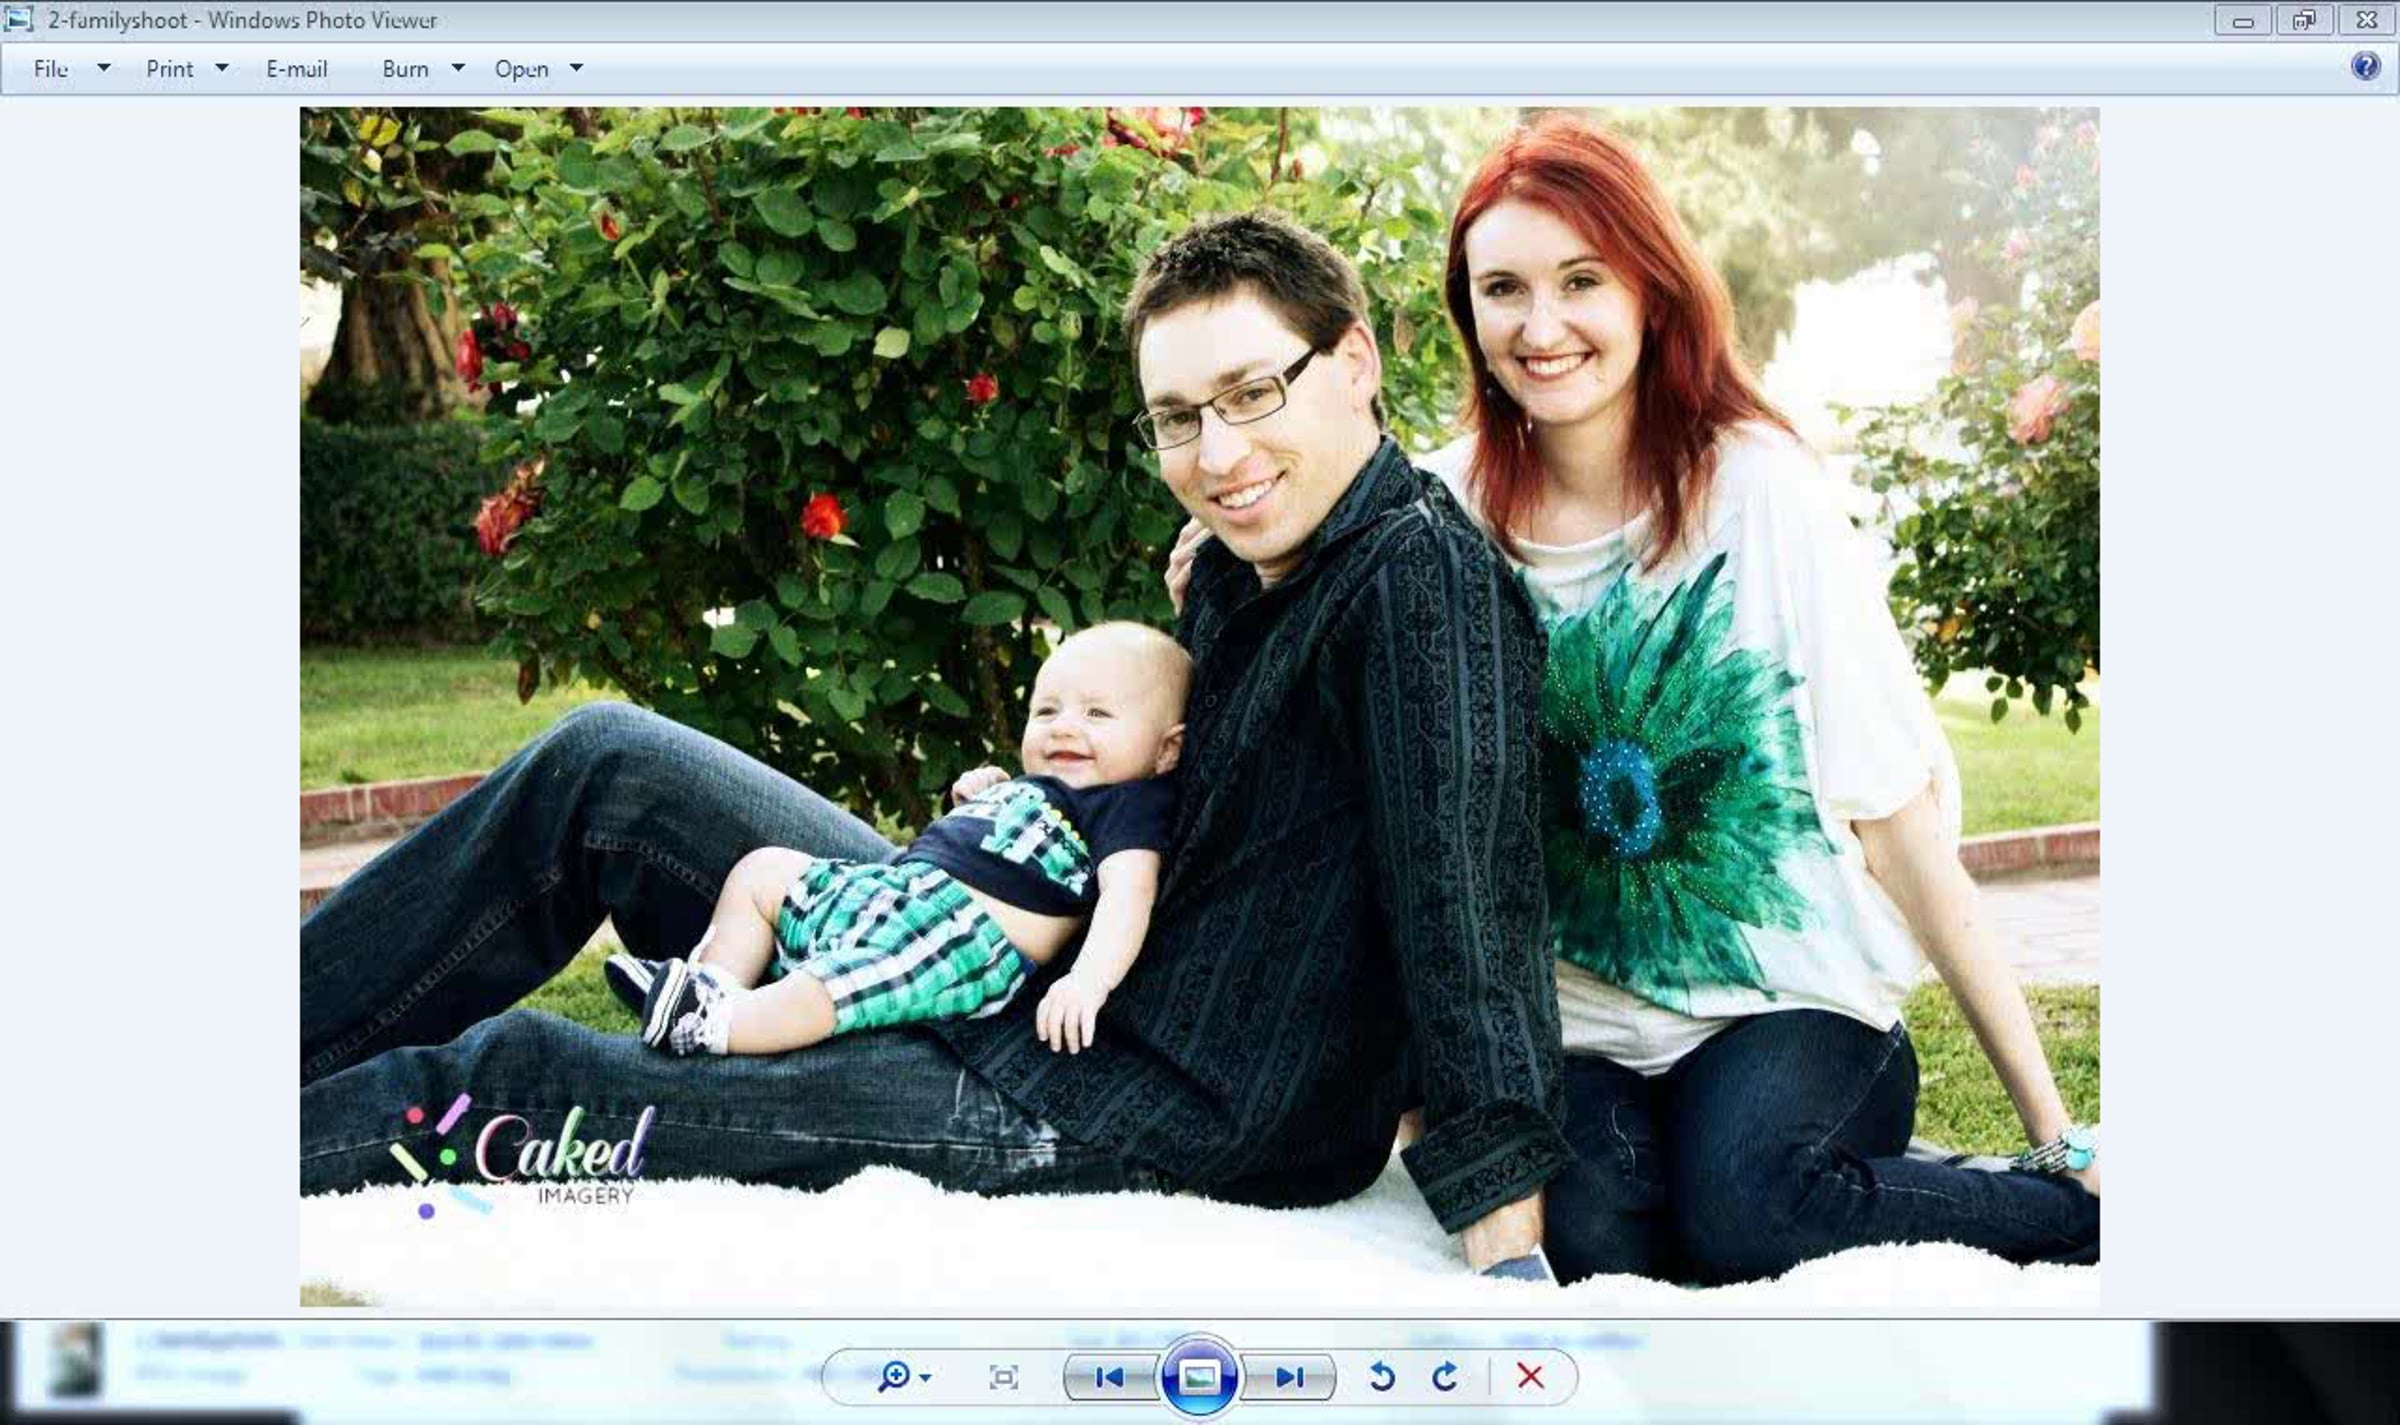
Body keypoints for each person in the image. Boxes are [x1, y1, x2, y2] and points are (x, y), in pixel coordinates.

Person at [300, 210, 1572, 1272]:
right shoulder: (1260, 554)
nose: (1218, 453)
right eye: (1179, 417)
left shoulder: (1423, 590)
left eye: (1252, 393)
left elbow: (1469, 913)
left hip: (1134, 1102)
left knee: (520, 1079)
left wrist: (1507, 1254)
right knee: (607, 767)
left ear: (1354, 362)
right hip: (1022, 942)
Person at [1168, 114, 2100, 1286]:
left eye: (1581, 281)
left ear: (1650, 290)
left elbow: (1898, 826)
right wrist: (1227, 580)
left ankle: (2060, 1213)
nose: (1540, 326)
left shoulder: (1763, 495)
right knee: (1599, 1232)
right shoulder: (1432, 520)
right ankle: (1821, 1182)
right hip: (1576, 1035)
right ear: (1468, 312)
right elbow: (1312, 683)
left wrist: (2057, 1133)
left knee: (1746, 1207)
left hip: (1791, 1008)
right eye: (1502, 289)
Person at [604, 621, 1187, 1059]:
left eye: (1097, 715)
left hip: (962, 939)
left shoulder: (1128, 805)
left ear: (1167, 751)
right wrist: (985, 798)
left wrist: (1088, 981)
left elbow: (1128, 896)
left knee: (837, 987)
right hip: (894, 889)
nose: (1064, 727)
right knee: (764, 872)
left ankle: (719, 1025)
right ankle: (710, 983)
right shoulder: (1042, 789)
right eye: (1047, 711)